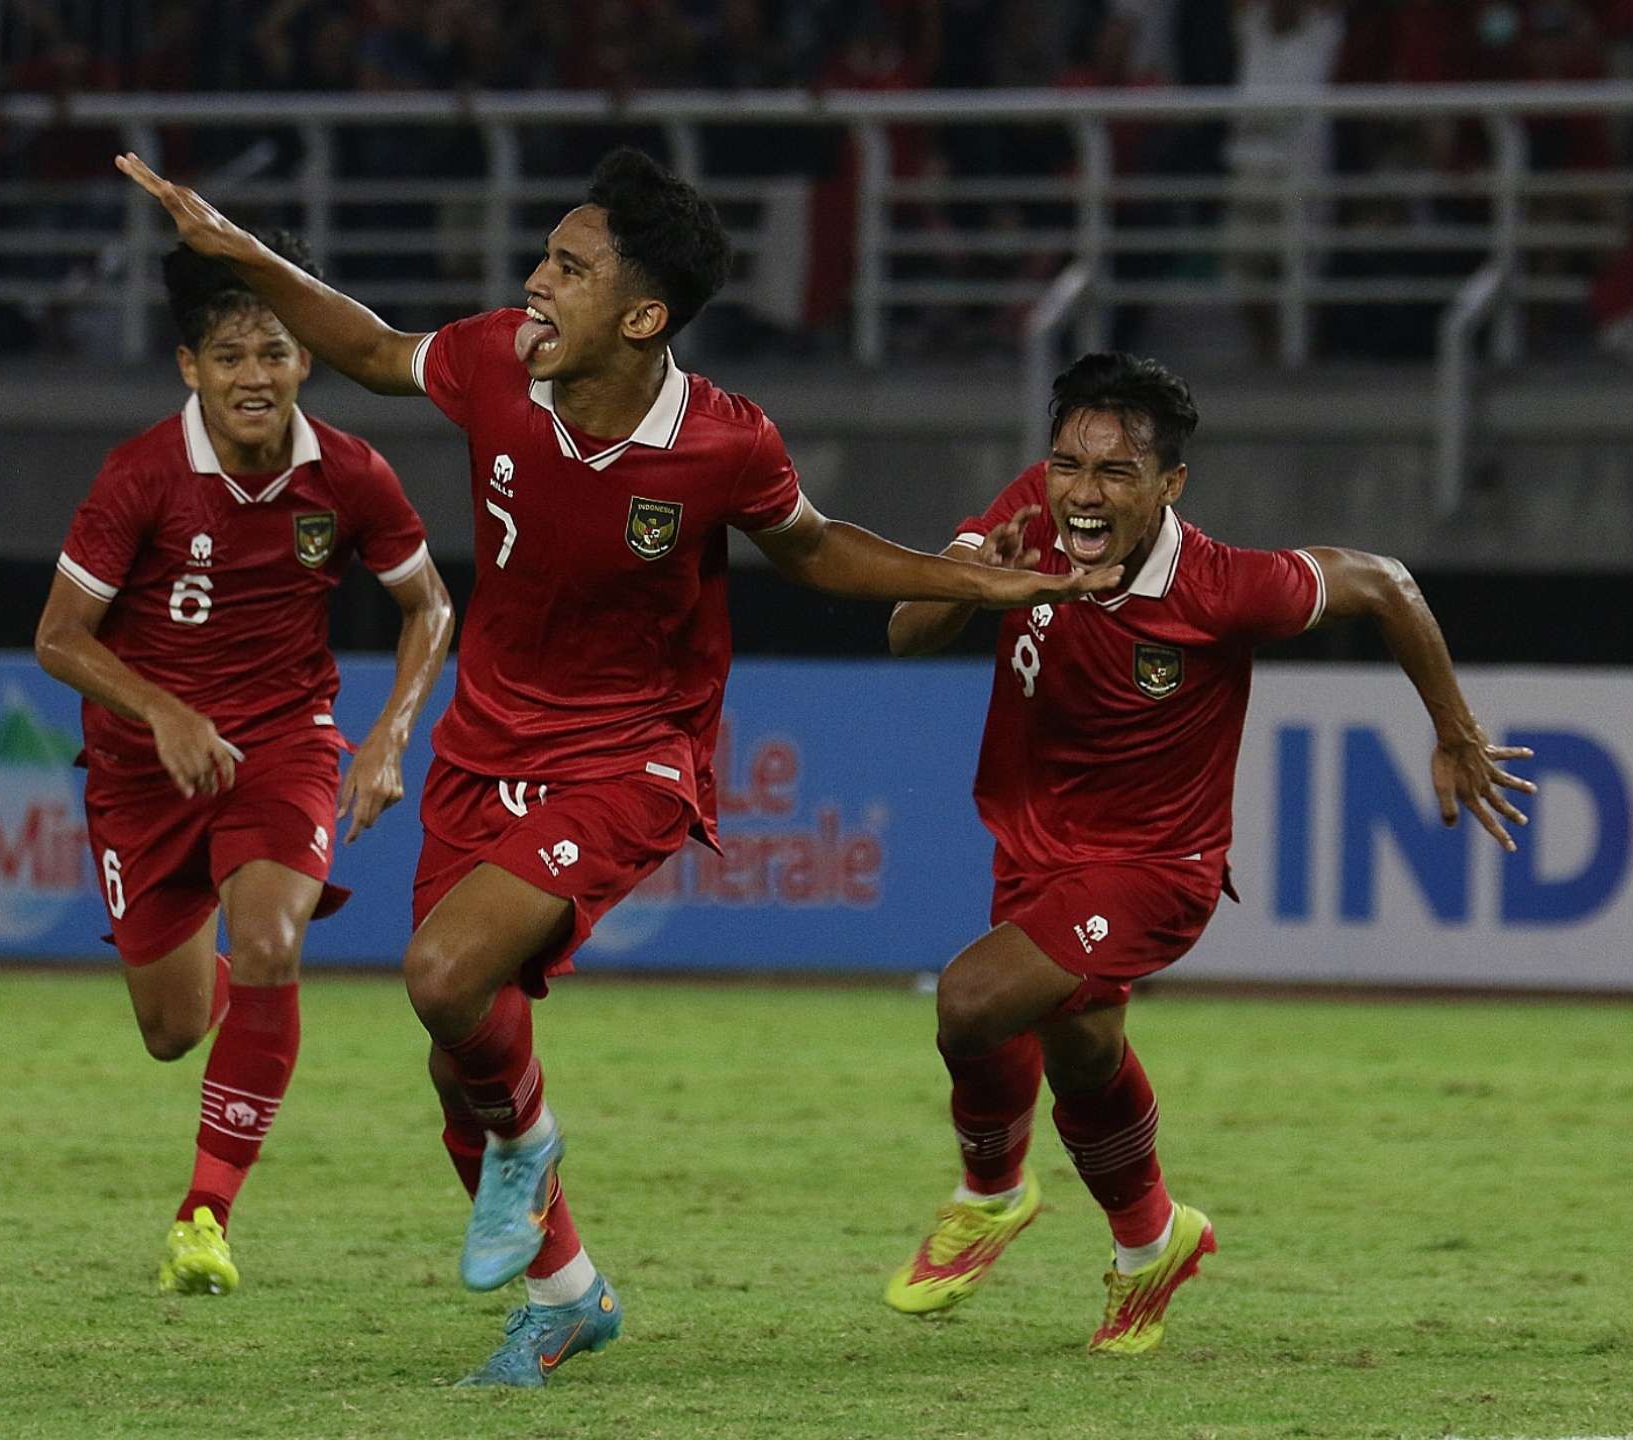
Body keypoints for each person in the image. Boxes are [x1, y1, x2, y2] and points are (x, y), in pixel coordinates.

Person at [117, 145, 1117, 1385]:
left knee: (442, 977)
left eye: (570, 267)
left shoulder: (722, 443)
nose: (536, 279)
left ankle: (529, 1155)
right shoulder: (493, 362)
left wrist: (963, 576)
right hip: (482, 752)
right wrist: (234, 245)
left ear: (642, 316)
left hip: (634, 757)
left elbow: (811, 551)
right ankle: (567, 1292)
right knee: (455, 1060)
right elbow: (372, 350)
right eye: (545, 254)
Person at [881, 351, 1535, 1353]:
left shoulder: (1224, 588)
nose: (1082, 493)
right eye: (1067, 465)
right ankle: (1153, 1246)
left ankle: (991, 1190)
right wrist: (988, 578)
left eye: (1115, 474)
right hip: (1035, 844)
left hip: (1152, 868)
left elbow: (1383, 583)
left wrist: (1453, 729)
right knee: (1083, 1053)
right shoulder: (1029, 511)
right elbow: (906, 637)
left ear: (1167, 485)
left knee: (970, 1001)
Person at [33, 231, 455, 1299]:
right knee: (173, 1030)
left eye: (272, 351)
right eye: (229, 358)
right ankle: (243, 1019)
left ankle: (203, 1217)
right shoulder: (140, 476)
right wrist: (163, 710)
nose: (254, 376)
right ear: (190, 371)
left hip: (283, 743)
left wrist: (388, 732)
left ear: (304, 358)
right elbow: (58, 638)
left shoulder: (350, 472)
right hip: (144, 769)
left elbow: (429, 604)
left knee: (269, 940)